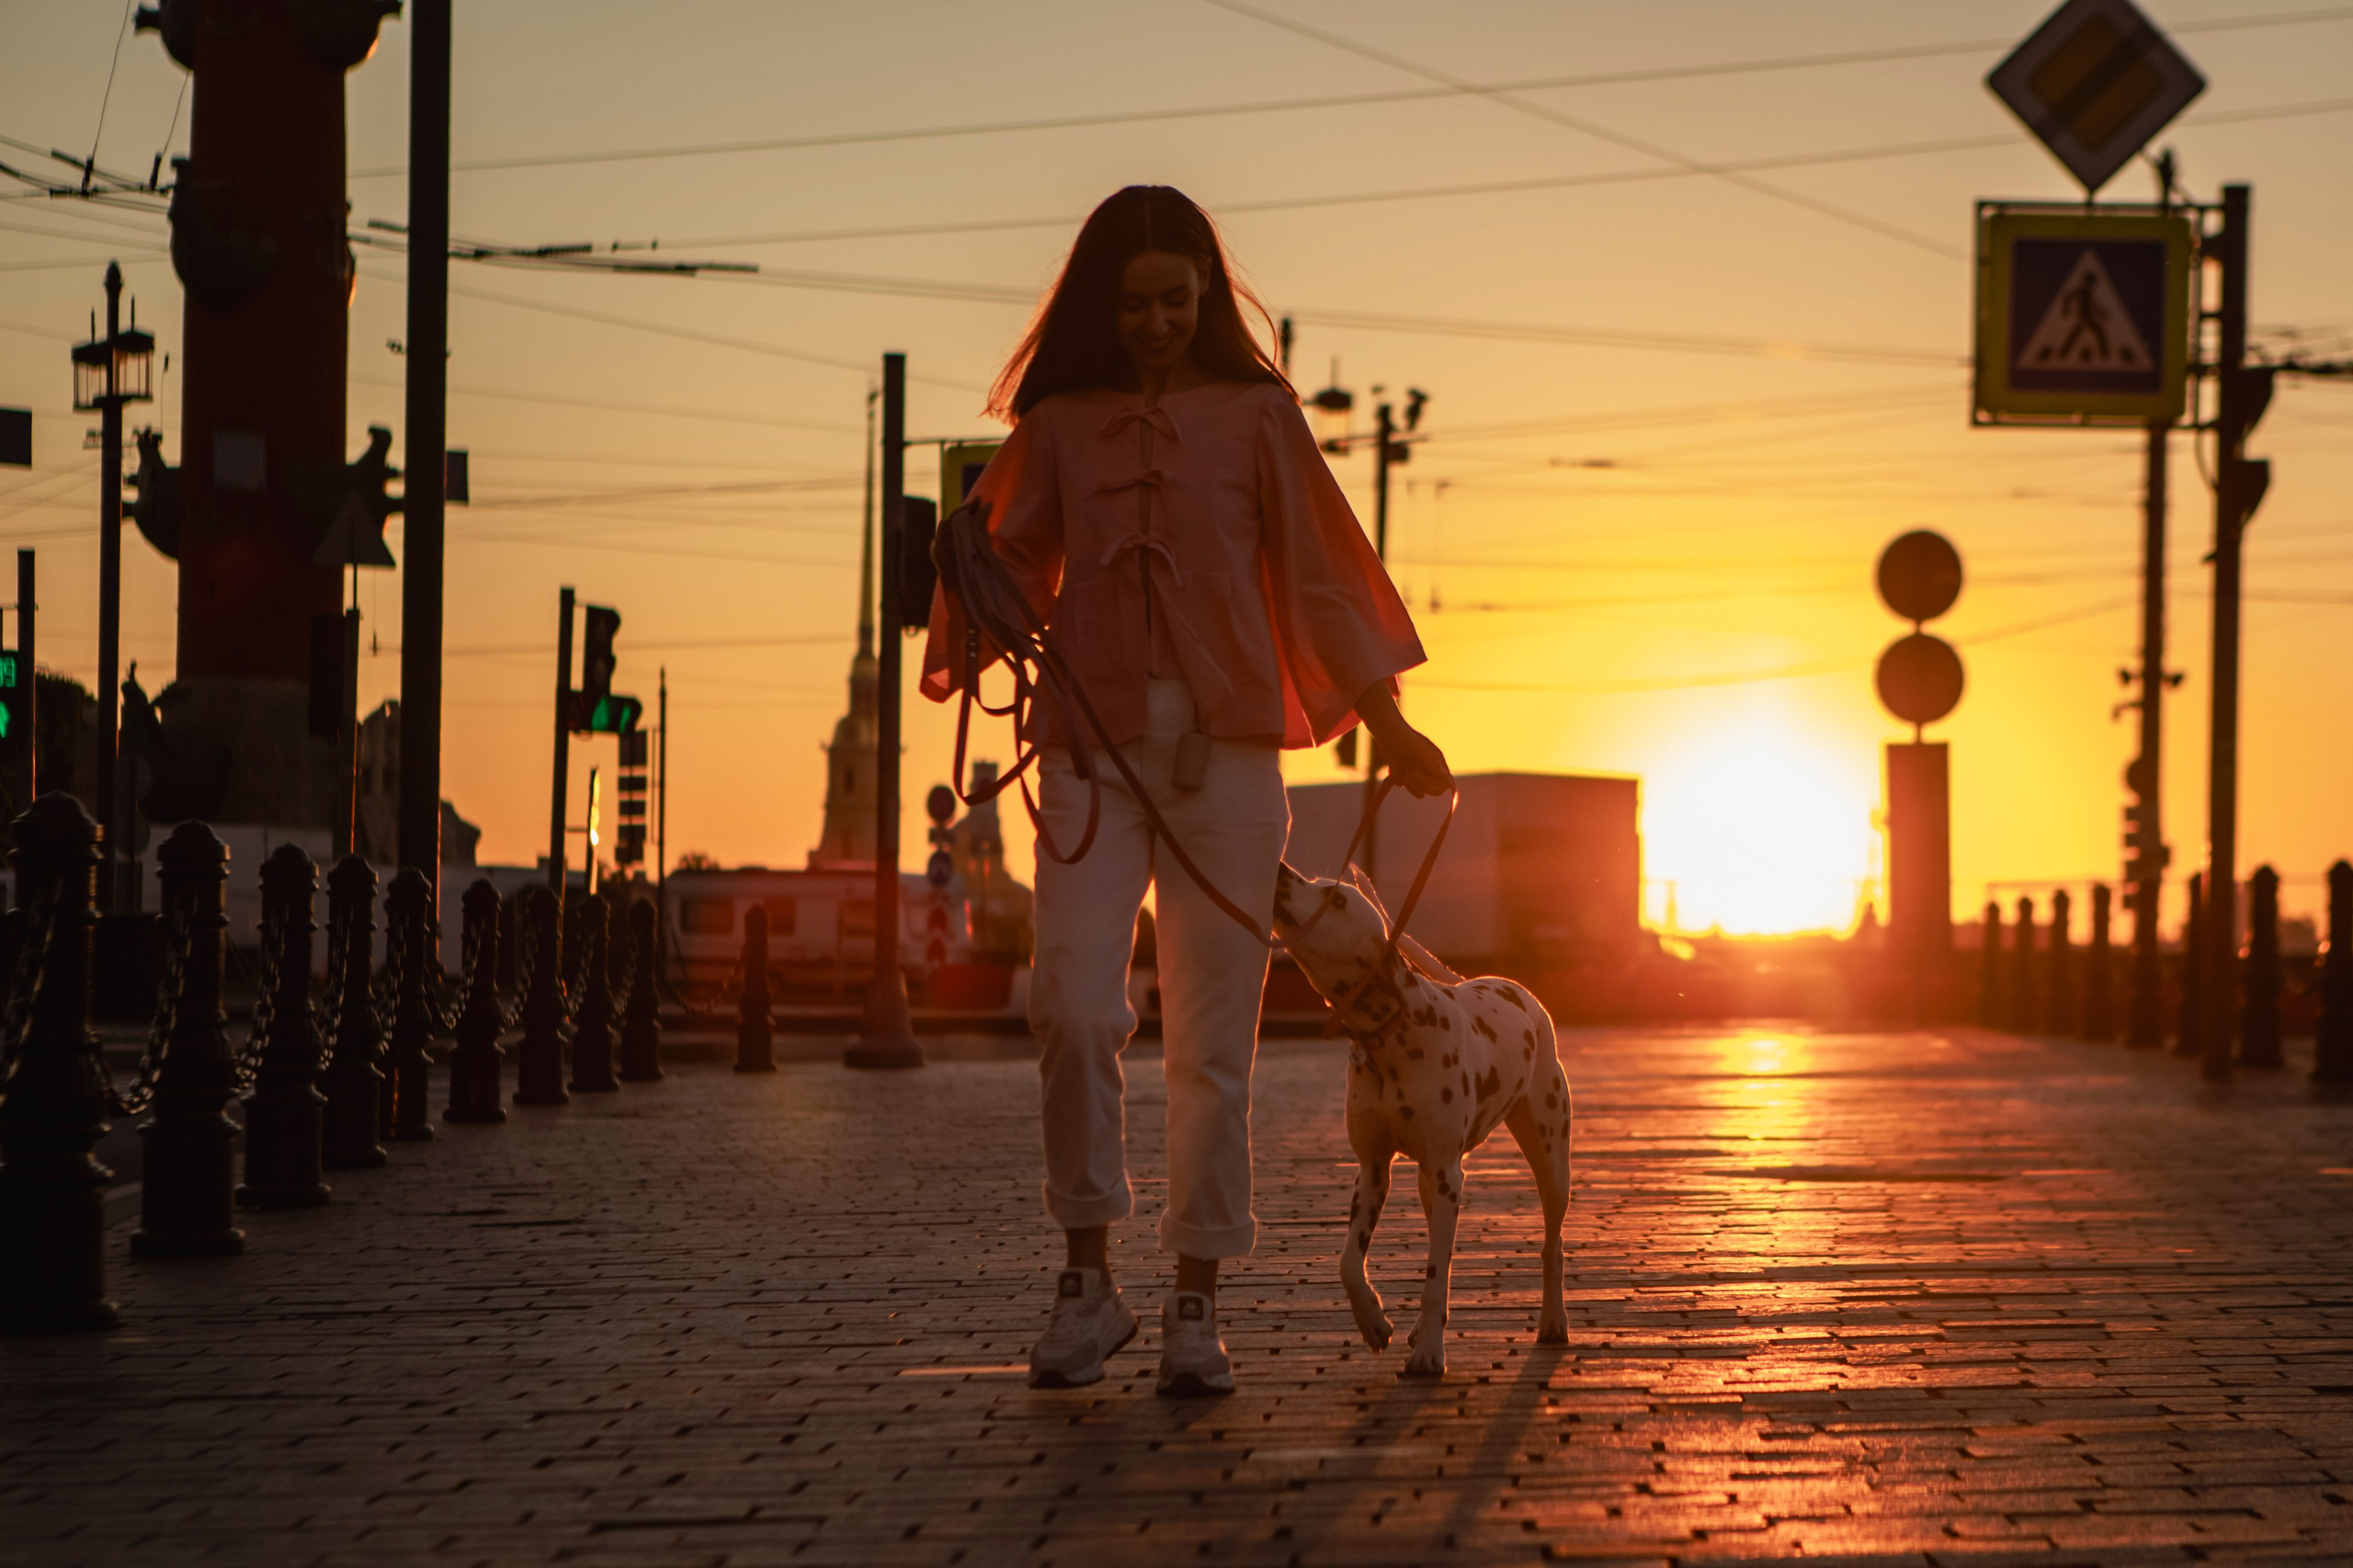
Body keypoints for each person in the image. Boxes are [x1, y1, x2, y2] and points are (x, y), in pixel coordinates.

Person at [920, 185, 1450, 1397]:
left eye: (1177, 300)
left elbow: (1322, 575)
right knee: (1068, 1007)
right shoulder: (1057, 422)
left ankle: (1197, 1301)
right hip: (1087, 753)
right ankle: (1086, 1280)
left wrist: (1389, 721)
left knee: (1215, 1042)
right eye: (1135, 304)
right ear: (1100, 308)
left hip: (1229, 762)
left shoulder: (1262, 417)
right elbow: (1005, 561)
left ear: (1208, 294)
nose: (1157, 321)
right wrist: (965, 564)